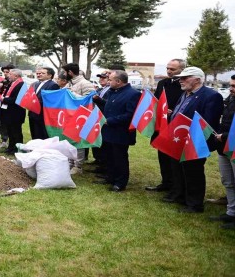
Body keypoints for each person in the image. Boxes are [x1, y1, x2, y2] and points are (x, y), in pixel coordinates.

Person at [166, 67, 222, 213]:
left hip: (195, 142)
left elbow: (208, 122)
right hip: (179, 139)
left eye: (185, 78)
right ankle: (181, 196)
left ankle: (195, 204)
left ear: (197, 79)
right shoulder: (185, 94)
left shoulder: (211, 96)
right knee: (179, 170)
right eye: (181, 78)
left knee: (193, 172)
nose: (181, 80)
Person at [95, 70, 140, 192]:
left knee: (119, 158)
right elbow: (110, 106)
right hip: (108, 131)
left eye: (110, 80)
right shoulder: (112, 91)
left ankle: (120, 182)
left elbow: (130, 115)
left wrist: (109, 120)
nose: (108, 82)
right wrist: (98, 100)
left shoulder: (133, 94)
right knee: (109, 156)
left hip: (121, 132)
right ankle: (110, 177)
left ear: (119, 81)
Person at [145, 59, 185, 193]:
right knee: (162, 156)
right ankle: (165, 182)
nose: (169, 71)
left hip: (176, 127)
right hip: (161, 125)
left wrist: (173, 111)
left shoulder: (184, 85)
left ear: (181, 70)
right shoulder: (162, 83)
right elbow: (157, 101)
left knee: (173, 158)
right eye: (168, 68)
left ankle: (176, 186)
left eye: (172, 69)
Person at [212, 75, 235, 229]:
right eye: (231, 85)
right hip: (223, 147)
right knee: (228, 181)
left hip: (232, 145)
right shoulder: (230, 99)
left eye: (234, 86)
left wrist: (225, 136)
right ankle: (231, 212)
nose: (231, 89)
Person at [28, 67, 60, 140]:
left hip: (42, 115)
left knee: (41, 135)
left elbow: (50, 101)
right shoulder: (36, 84)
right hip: (33, 113)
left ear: (50, 75)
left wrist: (35, 103)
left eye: (42, 73)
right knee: (34, 134)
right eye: (38, 73)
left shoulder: (53, 85)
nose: (39, 75)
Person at [0, 69, 26, 154]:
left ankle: (17, 148)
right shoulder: (11, 83)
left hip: (16, 113)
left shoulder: (21, 85)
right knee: (10, 131)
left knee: (16, 132)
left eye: (10, 74)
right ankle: (10, 147)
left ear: (16, 76)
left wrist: (4, 99)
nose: (8, 75)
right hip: (8, 112)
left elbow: (17, 99)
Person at [0, 64, 15, 149]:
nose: (6, 74)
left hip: (10, 107)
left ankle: (11, 142)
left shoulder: (15, 83)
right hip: (1, 105)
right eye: (4, 72)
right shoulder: (2, 81)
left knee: (9, 125)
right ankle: (4, 140)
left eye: (8, 72)